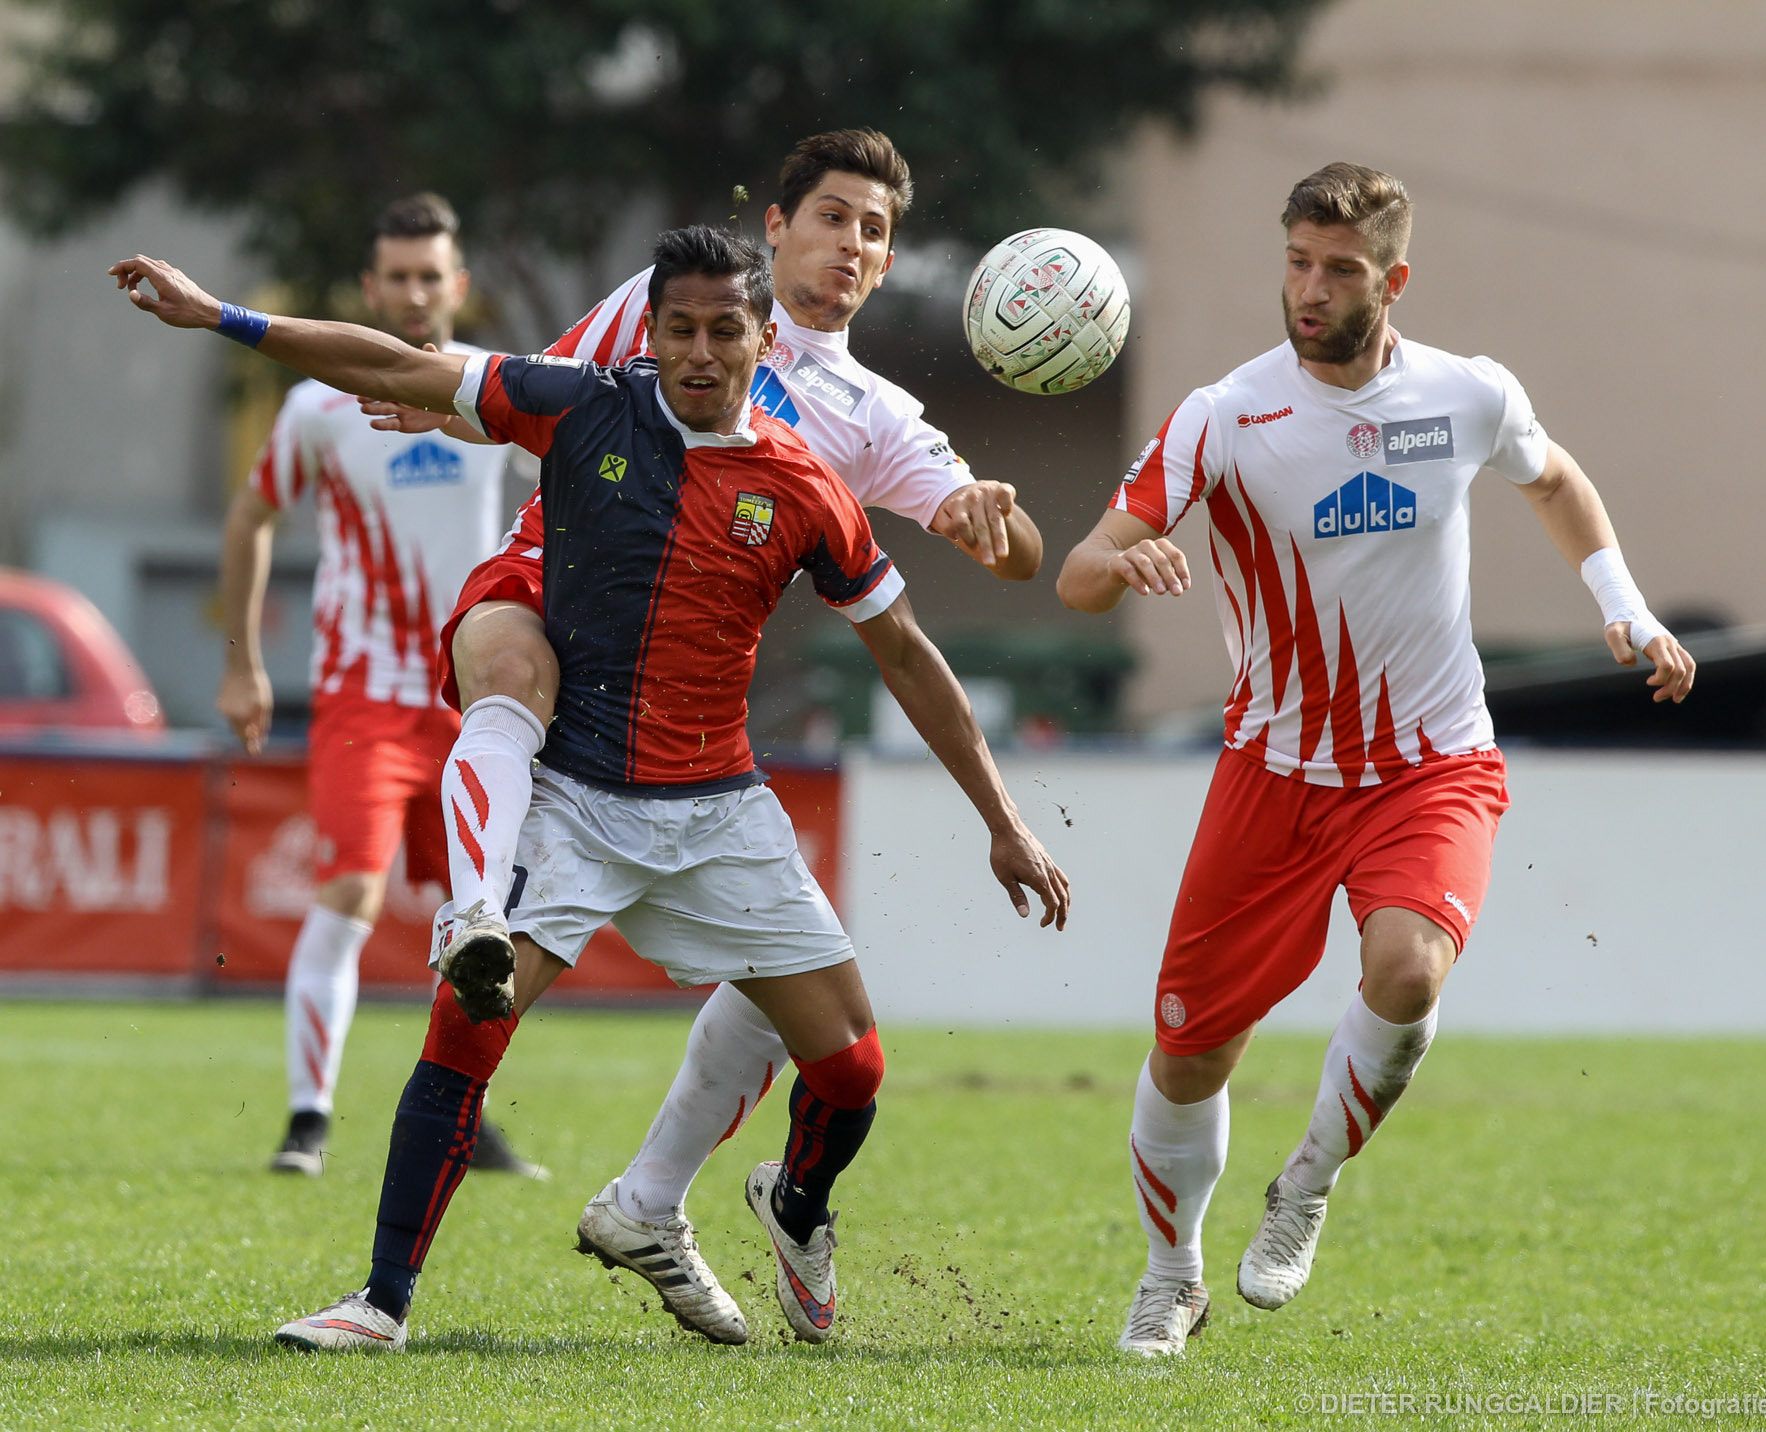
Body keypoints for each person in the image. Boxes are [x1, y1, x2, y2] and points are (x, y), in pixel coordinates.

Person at [111, 224, 1070, 1352]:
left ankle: (794, 1205)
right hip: (576, 800)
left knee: (853, 1068)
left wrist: (1004, 822)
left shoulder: (808, 487)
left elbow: (906, 651)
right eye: (680, 330)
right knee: (470, 1020)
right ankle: (379, 1303)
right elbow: (392, 363)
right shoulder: (579, 404)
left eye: (726, 331)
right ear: (650, 332)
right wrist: (222, 314)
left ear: (766, 341)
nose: (701, 353)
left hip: (719, 813)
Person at [368, 129, 1051, 1333]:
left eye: (875, 231)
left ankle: (658, 1200)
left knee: (808, 1013)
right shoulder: (671, 298)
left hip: (696, 735)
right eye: (832, 216)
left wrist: (1003, 519)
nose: (851, 244)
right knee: (506, 687)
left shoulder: (872, 416)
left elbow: (986, 558)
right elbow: (532, 389)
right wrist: (436, 397)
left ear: (888, 266)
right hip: (554, 620)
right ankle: (386, 1280)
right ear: (776, 227)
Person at [1056, 162, 1696, 1358]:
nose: (1309, 287)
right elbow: (1082, 567)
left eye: (1339, 269)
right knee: (1191, 1048)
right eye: (1297, 261)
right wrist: (1124, 565)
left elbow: (1553, 478)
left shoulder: (1467, 393)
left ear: (1392, 280)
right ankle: (1171, 1271)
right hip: (1275, 769)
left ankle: (1304, 1184)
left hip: (1431, 762)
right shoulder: (1222, 415)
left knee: (1407, 971)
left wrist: (1625, 603)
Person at [215, 193, 543, 1180]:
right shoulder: (319, 404)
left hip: (468, 701)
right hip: (361, 695)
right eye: (394, 276)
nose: (411, 292)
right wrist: (241, 661)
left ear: (459, 287)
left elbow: (562, 507)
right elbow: (250, 518)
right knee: (353, 888)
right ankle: (309, 1119)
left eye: (427, 275)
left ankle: (464, 1119)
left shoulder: (497, 400)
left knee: (480, 919)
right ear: (369, 287)